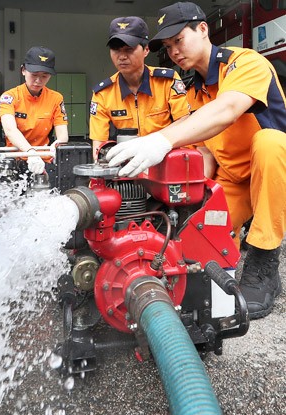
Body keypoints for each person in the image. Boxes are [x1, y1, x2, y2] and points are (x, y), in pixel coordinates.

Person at [106, 2, 286, 319]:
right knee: (192, 245)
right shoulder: (195, 93)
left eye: (179, 39)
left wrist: (161, 139)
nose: (174, 51)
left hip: (274, 175)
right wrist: (181, 207)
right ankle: (230, 236)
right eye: (168, 46)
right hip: (235, 182)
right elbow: (204, 153)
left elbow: (228, 109)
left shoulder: (245, 62)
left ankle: (264, 258)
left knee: (270, 142)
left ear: (203, 29)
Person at [89, 16, 191, 159]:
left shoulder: (167, 81)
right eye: (115, 49)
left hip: (166, 159)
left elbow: (184, 123)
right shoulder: (103, 93)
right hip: (125, 164)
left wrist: (151, 144)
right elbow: (99, 144)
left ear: (146, 50)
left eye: (129, 49)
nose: (122, 56)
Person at [0, 46, 69, 175]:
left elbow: (62, 134)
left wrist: (57, 145)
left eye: (44, 76)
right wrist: (30, 153)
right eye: (34, 75)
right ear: (23, 70)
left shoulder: (56, 98)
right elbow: (10, 130)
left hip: (44, 161)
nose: (38, 81)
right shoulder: (9, 97)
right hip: (14, 160)